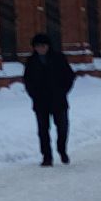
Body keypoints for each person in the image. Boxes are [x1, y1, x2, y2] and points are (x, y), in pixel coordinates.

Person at [22, 32, 76, 166]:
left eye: (43, 46)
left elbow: (69, 76)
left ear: (48, 46)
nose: (40, 49)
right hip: (40, 101)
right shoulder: (31, 61)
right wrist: (33, 94)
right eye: (37, 46)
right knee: (43, 130)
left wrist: (63, 91)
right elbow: (27, 80)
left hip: (58, 100)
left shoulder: (59, 58)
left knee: (63, 127)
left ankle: (62, 150)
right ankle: (47, 156)